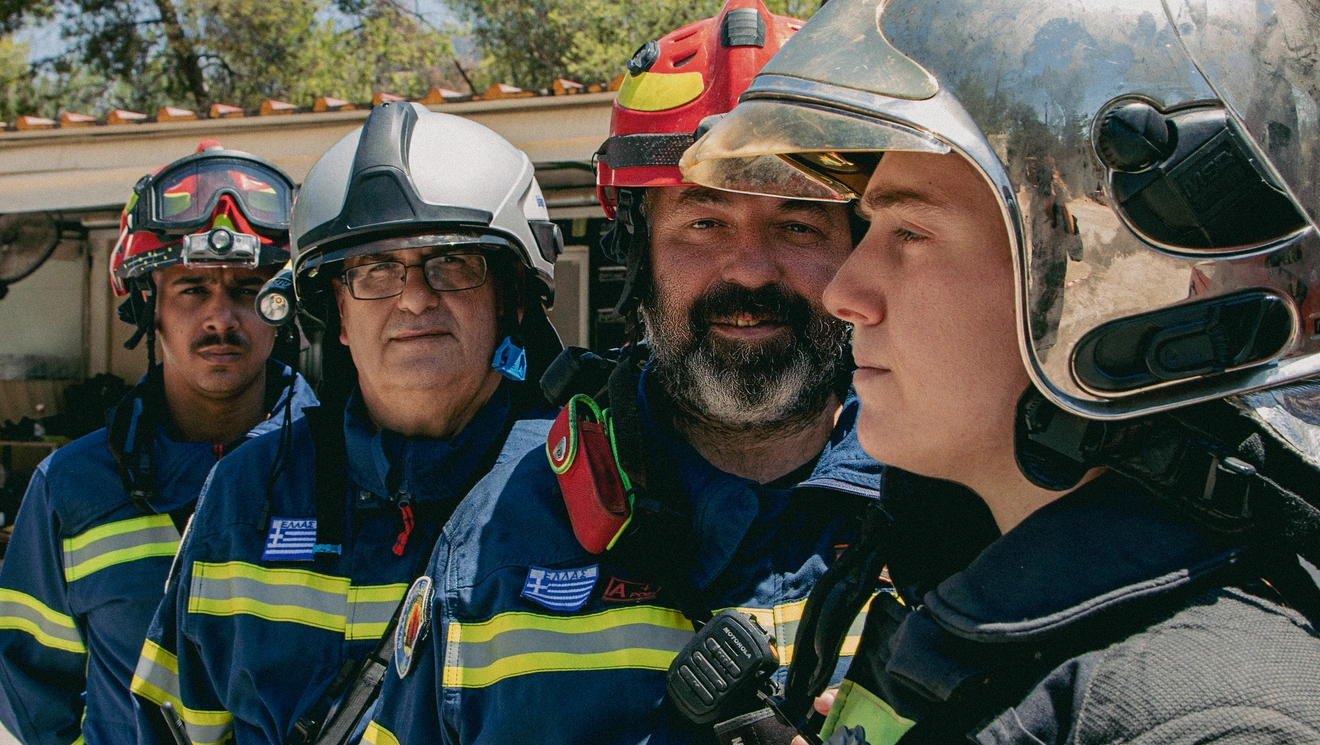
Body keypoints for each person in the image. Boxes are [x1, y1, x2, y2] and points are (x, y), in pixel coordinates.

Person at [681, 0, 1320, 741]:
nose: (842, 293)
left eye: (909, 232)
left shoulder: (1206, 719)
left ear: (1103, 289)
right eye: (870, 229)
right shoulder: (1011, 628)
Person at [362, 2, 882, 743]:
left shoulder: (961, 515)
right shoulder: (497, 543)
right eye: (703, 222)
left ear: (860, 251)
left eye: (798, 223)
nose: (750, 269)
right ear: (636, 255)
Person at [129, 103, 564, 744]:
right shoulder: (244, 496)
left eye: (453, 261)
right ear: (334, 309)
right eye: (375, 269)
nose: (415, 296)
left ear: (508, 296)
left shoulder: (589, 481)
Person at [0, 140, 316, 745]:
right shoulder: (71, 489)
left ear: (286, 307)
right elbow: (28, 704)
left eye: (249, 290)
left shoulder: (351, 472)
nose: (221, 317)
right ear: (148, 305)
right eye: (192, 289)